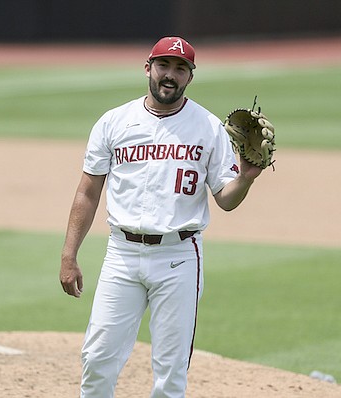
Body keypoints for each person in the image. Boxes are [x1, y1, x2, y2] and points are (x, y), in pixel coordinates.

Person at [59, 36, 265, 398]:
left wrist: (246, 178)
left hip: (179, 257)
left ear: (190, 76)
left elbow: (226, 201)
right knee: (96, 358)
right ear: (148, 68)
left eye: (181, 68)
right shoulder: (114, 122)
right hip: (121, 255)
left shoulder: (208, 127)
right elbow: (87, 192)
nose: (171, 75)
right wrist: (69, 255)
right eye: (164, 66)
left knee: (170, 372)